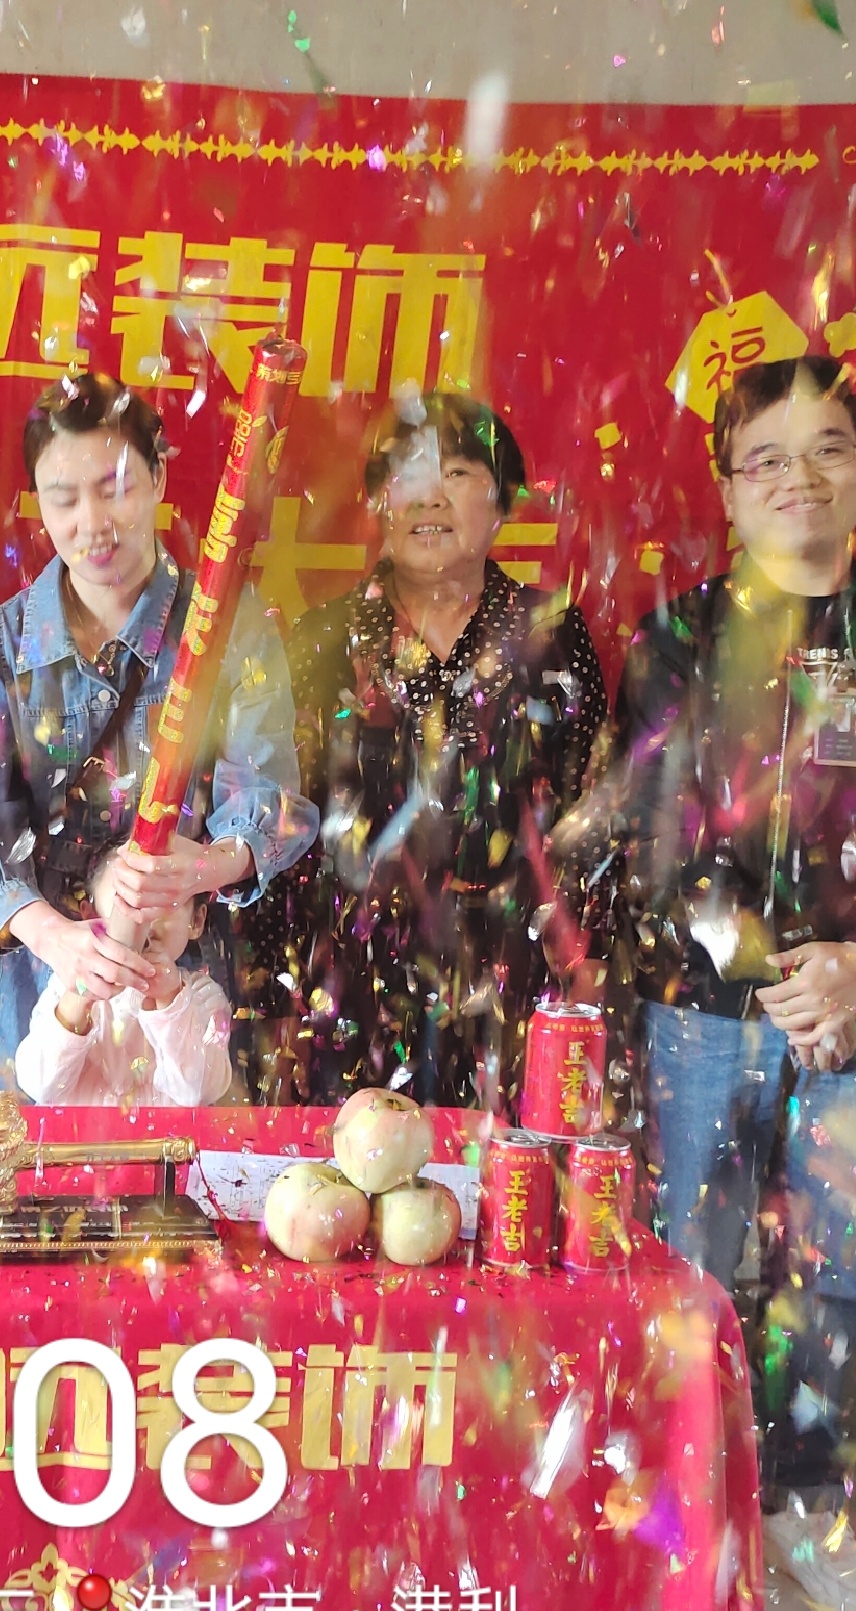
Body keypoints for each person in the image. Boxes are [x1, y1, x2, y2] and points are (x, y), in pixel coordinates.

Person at [613, 354, 856, 1611]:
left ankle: (803, 1506)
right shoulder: (676, 641)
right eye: (766, 458)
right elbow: (660, 837)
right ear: (730, 491)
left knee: (830, 1269)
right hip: (706, 1014)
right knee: (690, 1254)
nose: (800, 477)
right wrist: (781, 973)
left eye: (827, 447)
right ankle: (684, 1494)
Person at [0, 373, 313, 1096]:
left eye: (115, 489)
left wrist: (203, 867)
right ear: (37, 502)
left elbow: (272, 799)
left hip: (182, 984)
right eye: (64, 498)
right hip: (44, 990)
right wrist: (54, 936)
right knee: (20, 1162)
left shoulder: (231, 626)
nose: (93, 522)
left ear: (159, 478)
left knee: (180, 1161)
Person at [244, 393, 607, 1109]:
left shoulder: (550, 635)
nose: (429, 496)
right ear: (379, 500)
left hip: (513, 980)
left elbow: (589, 813)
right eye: (406, 473)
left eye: (459, 473)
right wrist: (270, 997)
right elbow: (281, 822)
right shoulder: (323, 641)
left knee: (505, 1169)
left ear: (501, 504)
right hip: (350, 986)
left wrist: (584, 959)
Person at [12, 852, 233, 1107]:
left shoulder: (202, 994)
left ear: (196, 921)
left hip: (166, 1135)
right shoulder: (66, 985)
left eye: (165, 900)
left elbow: (200, 1091)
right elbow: (40, 1087)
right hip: (78, 1134)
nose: (145, 916)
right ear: (91, 916)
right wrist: (79, 996)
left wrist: (171, 999)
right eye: (125, 899)